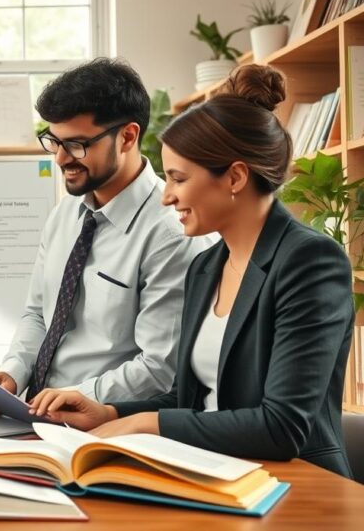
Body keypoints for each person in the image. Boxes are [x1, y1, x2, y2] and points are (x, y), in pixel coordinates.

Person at [27, 65, 355, 477]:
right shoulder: (207, 266)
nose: (165, 196)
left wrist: (144, 424)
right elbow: (189, 398)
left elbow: (282, 425)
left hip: (297, 483)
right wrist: (108, 411)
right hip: (211, 471)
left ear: (235, 177)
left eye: (178, 178)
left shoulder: (310, 262)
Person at [0, 58, 212, 410]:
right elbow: (38, 314)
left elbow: (159, 368)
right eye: (53, 142)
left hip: (108, 427)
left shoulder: (171, 234)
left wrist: (78, 398)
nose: (59, 159)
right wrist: (13, 375)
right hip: (35, 417)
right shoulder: (66, 213)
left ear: (127, 137)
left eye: (76, 144)